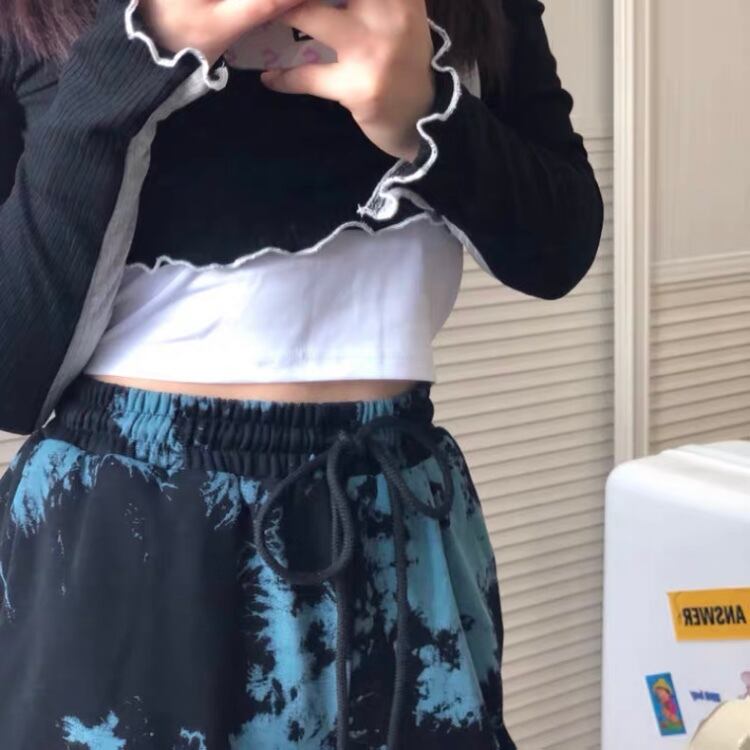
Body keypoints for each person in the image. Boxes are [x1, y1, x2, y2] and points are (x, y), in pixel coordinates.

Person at [0, 0, 604, 747]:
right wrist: (140, 51)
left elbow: (559, 247)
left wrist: (430, 114)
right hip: (122, 542)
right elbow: (11, 376)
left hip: (396, 510)